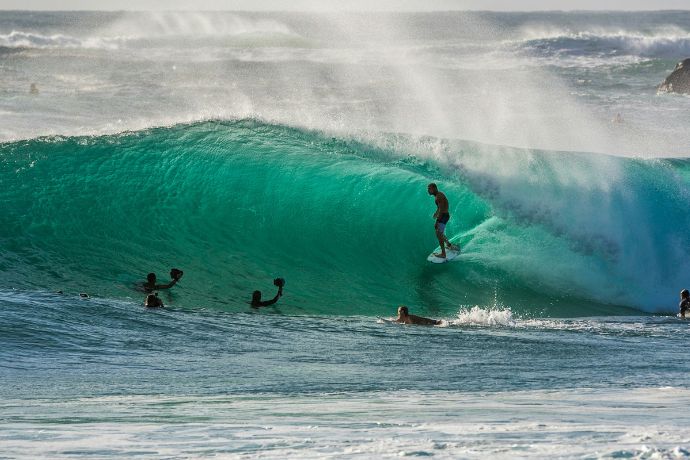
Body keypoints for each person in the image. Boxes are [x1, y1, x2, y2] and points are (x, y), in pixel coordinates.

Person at [427, 182, 458, 258]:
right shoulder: (438, 195)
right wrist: (436, 212)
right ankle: (449, 245)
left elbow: (441, 209)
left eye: (429, 189)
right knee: (439, 232)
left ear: (434, 188)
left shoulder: (438, 197)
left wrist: (437, 221)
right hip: (444, 215)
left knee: (439, 234)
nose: (428, 191)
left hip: (443, 216)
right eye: (428, 189)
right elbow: (440, 207)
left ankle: (443, 254)